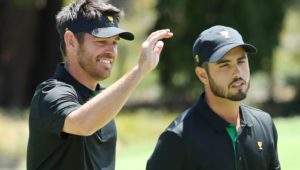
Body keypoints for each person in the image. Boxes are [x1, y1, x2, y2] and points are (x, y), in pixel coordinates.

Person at [26, 0, 173, 169]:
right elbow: (83, 123)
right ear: (71, 41)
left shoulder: (104, 98)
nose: (111, 52)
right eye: (101, 41)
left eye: (115, 42)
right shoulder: (50, 93)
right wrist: (139, 70)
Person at [146, 25, 280, 170]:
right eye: (224, 65)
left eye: (241, 61)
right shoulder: (177, 138)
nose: (237, 72)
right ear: (202, 75)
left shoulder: (264, 124)